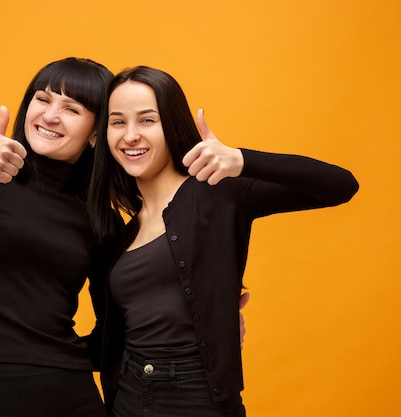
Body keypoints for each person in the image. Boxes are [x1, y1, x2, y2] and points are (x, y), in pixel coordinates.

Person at [0, 58, 249, 417]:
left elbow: (117, 329)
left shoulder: (101, 220)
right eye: (43, 99)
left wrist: (209, 326)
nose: (52, 115)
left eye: (72, 109)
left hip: (71, 393)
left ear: (97, 133)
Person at [87, 66, 359, 417]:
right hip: (127, 395)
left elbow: (340, 185)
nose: (131, 136)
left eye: (147, 120)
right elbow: (111, 338)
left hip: (196, 397)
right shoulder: (123, 232)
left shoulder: (217, 190)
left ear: (172, 124)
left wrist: (243, 160)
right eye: (118, 122)